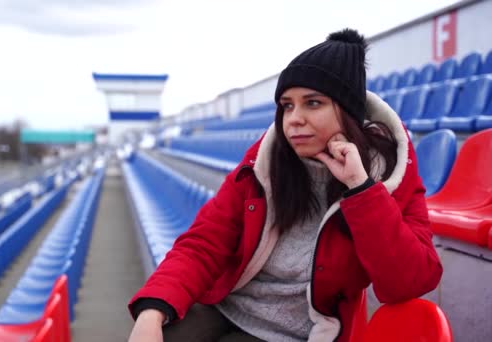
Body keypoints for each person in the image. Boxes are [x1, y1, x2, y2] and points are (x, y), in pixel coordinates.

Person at [127, 28, 442, 342]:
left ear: (348, 111)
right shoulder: (264, 161)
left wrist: (360, 189)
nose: (294, 119)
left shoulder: (389, 174)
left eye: (313, 103)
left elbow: (410, 282)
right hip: (226, 306)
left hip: (294, 332)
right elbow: (204, 243)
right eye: (287, 105)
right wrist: (152, 310)